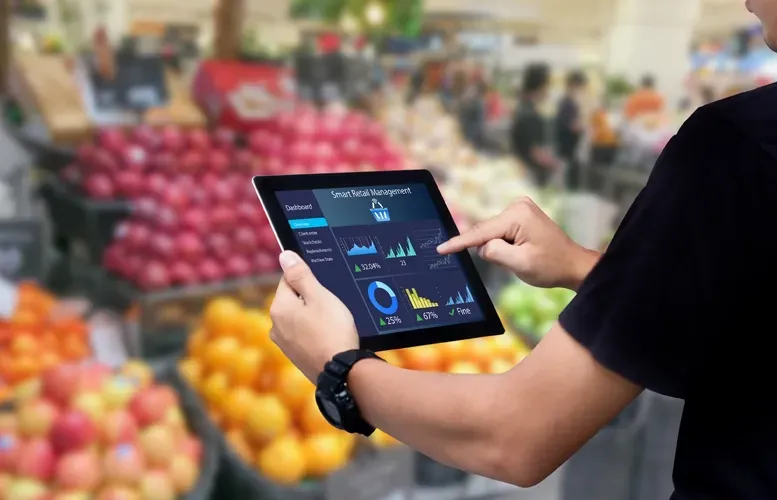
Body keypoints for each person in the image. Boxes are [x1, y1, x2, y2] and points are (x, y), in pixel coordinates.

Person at [267, 0, 777, 497]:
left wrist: (338, 367)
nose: (747, 2)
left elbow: (513, 436)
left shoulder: (733, 145)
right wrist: (582, 266)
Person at [510, 63, 562, 187]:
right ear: (540, 86)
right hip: (530, 172)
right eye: (548, 85)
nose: (548, 90)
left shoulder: (525, 105)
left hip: (525, 168)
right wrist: (551, 162)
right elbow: (532, 149)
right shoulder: (528, 110)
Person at [556, 71, 588, 190]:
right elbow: (573, 126)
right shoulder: (568, 104)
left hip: (567, 149)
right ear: (574, 85)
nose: (581, 91)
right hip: (567, 149)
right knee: (569, 183)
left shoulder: (566, 102)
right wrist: (584, 127)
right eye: (580, 87)